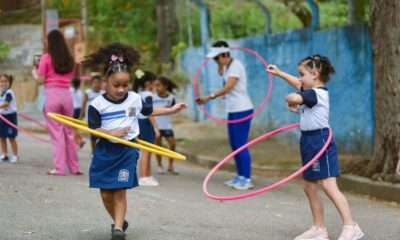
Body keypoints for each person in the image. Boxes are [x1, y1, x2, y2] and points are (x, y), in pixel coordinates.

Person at [82, 42, 187, 240]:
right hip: (105, 151)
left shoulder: (134, 99)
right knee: (105, 193)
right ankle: (118, 221)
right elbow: (94, 130)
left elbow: (149, 111)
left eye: (125, 85)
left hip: (127, 151)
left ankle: (118, 229)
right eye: (116, 85)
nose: (121, 89)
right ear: (106, 81)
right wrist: (112, 133)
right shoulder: (96, 104)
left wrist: (171, 110)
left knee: (120, 190)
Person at [267, 54, 364, 240]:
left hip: (320, 142)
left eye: (302, 74)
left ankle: (351, 226)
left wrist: (289, 99)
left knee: (329, 186)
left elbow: (295, 96)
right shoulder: (309, 91)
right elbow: (298, 85)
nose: (300, 78)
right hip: (308, 141)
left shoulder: (315, 94)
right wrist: (279, 73)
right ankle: (319, 229)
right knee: (310, 187)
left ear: (314, 73)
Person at [196, 40, 254, 190]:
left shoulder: (236, 65)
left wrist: (210, 96)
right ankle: (240, 176)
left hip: (243, 108)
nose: (216, 61)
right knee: (234, 144)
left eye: (217, 58)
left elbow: (228, 87)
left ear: (225, 53)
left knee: (241, 144)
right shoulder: (228, 66)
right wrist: (220, 65)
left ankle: (247, 179)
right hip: (233, 109)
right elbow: (222, 75)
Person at [34, 29, 81, 175]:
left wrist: (34, 72)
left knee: (57, 134)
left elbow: (40, 81)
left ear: (50, 42)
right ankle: (74, 168)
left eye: (46, 40)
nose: (45, 42)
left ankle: (59, 168)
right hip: (67, 96)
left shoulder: (46, 58)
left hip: (52, 96)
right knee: (68, 132)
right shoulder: (70, 58)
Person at [132, 69, 160, 186]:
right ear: (148, 83)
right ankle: (143, 177)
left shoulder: (136, 95)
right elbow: (150, 112)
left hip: (139, 123)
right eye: (154, 83)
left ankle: (148, 175)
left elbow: (132, 113)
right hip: (146, 124)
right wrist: (156, 127)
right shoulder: (148, 95)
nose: (154, 86)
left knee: (146, 151)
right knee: (147, 151)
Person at [153, 76, 179, 175]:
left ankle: (171, 165)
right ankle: (159, 165)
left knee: (172, 144)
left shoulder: (171, 98)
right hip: (157, 127)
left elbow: (175, 110)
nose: (156, 88)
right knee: (158, 146)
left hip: (167, 126)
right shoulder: (152, 97)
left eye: (158, 85)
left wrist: (171, 109)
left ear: (165, 86)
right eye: (155, 85)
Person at [79, 75, 105, 153]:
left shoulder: (103, 93)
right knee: (93, 136)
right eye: (95, 83)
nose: (97, 85)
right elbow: (83, 105)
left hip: (101, 118)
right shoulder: (88, 92)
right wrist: (81, 116)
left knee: (101, 136)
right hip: (90, 118)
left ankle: (100, 150)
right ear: (91, 83)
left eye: (99, 83)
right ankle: (93, 151)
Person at [0, 74, 19, 163]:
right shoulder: (1, 92)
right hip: (2, 117)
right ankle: (4, 154)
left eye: (6, 81)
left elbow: (6, 103)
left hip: (10, 117)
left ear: (9, 82)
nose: (3, 83)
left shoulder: (9, 92)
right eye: (1, 81)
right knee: (2, 136)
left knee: (11, 137)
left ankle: (15, 155)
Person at [69, 76, 85, 148]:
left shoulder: (70, 90)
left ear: (72, 83)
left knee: (74, 128)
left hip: (74, 110)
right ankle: (81, 139)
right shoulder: (79, 91)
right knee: (75, 127)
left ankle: (77, 142)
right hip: (79, 110)